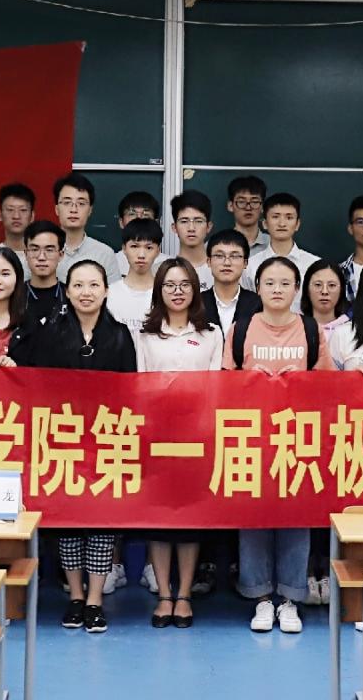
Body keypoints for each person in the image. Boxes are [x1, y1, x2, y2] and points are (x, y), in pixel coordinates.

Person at [26, 258, 135, 633]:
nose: (86, 293)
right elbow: (39, 386)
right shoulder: (50, 333)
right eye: (78, 285)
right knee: (69, 522)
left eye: (93, 285)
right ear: (67, 291)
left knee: (102, 522)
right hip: (63, 439)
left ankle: (95, 599)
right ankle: (75, 596)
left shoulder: (120, 334)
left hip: (106, 440)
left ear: (106, 291)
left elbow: (129, 390)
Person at [223, 255, 327, 635]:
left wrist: (302, 381)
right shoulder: (241, 329)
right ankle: (261, 598)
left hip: (299, 436)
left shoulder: (311, 330)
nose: (277, 289)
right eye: (270, 283)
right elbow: (223, 384)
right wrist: (251, 379)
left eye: (285, 283)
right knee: (254, 518)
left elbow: (329, 386)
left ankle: (290, 599)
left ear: (297, 289)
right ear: (258, 288)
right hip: (252, 437)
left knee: (295, 518)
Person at [133, 258, 220, 629]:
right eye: (170, 285)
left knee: (188, 519)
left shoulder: (212, 333)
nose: (178, 291)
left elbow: (216, 388)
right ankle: (163, 596)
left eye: (185, 284)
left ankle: (183, 594)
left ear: (195, 289)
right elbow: (140, 384)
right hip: (157, 435)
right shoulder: (145, 334)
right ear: (159, 291)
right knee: (158, 519)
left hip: (196, 437)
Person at [247, 193, 319, 294]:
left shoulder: (314, 265)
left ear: (297, 224)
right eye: (275, 217)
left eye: (289, 218)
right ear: (265, 223)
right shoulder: (250, 266)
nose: (282, 224)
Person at [54, 173, 120, 279]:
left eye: (81, 203)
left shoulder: (104, 254)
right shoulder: (41, 251)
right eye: (67, 202)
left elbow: (114, 289)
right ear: (57, 209)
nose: (73, 209)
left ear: (90, 210)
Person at [106, 218, 163, 329]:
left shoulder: (165, 293)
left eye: (149, 248)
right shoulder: (109, 294)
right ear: (124, 249)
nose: (141, 255)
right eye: (134, 246)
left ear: (158, 251)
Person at [22, 221, 69, 331]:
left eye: (49, 250)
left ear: (61, 255)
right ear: (26, 254)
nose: (41, 257)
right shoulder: (13, 296)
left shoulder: (72, 296)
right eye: (34, 249)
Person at [201, 230, 250, 328]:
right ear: (209, 261)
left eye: (234, 256)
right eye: (219, 256)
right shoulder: (196, 303)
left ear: (245, 263)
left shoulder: (258, 304)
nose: (227, 263)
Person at [168, 191, 215, 289]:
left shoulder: (221, 270)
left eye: (198, 221)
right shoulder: (162, 271)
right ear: (174, 227)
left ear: (209, 227)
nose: (191, 228)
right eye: (184, 221)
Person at [303, 259, 350, 340]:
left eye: (331, 285)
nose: (324, 291)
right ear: (307, 289)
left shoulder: (352, 330)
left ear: (341, 290)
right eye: (318, 285)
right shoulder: (295, 328)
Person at [227, 175, 271, 253]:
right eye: (241, 202)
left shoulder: (274, 245)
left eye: (254, 202)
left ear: (263, 207)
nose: (248, 208)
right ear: (230, 206)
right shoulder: (216, 245)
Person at [0, 182, 37, 260]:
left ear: (32, 216)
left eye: (23, 210)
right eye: (10, 210)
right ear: (0, 215)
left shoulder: (42, 257)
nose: (16, 216)